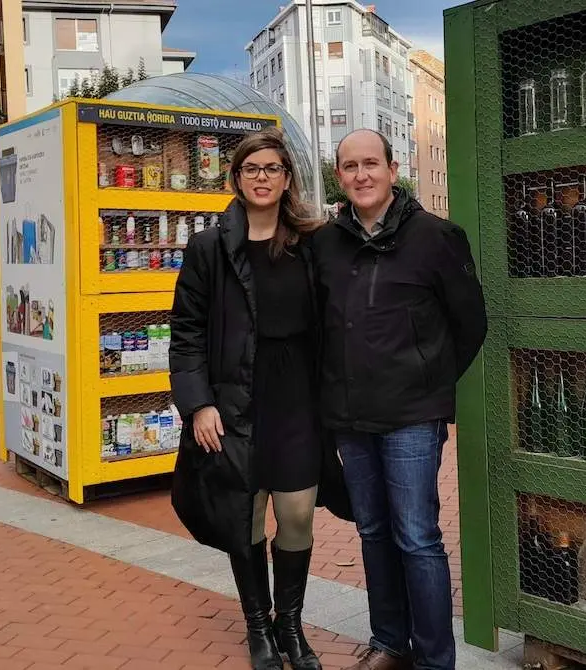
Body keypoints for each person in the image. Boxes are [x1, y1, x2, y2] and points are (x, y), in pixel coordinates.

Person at [169, 126, 352, 670]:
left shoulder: (312, 243)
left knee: (297, 513)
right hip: (234, 402)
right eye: (252, 169)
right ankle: (258, 629)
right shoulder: (209, 248)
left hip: (298, 399)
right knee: (244, 515)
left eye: (272, 168)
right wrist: (198, 403)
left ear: (288, 177)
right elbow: (186, 331)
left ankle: (289, 626)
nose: (263, 178)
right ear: (237, 178)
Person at [312, 129, 488, 670]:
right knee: (373, 532)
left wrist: (428, 381)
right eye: (349, 166)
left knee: (416, 536)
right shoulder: (324, 244)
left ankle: (435, 658)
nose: (361, 175)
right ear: (338, 176)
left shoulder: (436, 237)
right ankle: (390, 641)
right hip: (351, 415)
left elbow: (471, 323)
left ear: (393, 169)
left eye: (371, 163)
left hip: (412, 415)